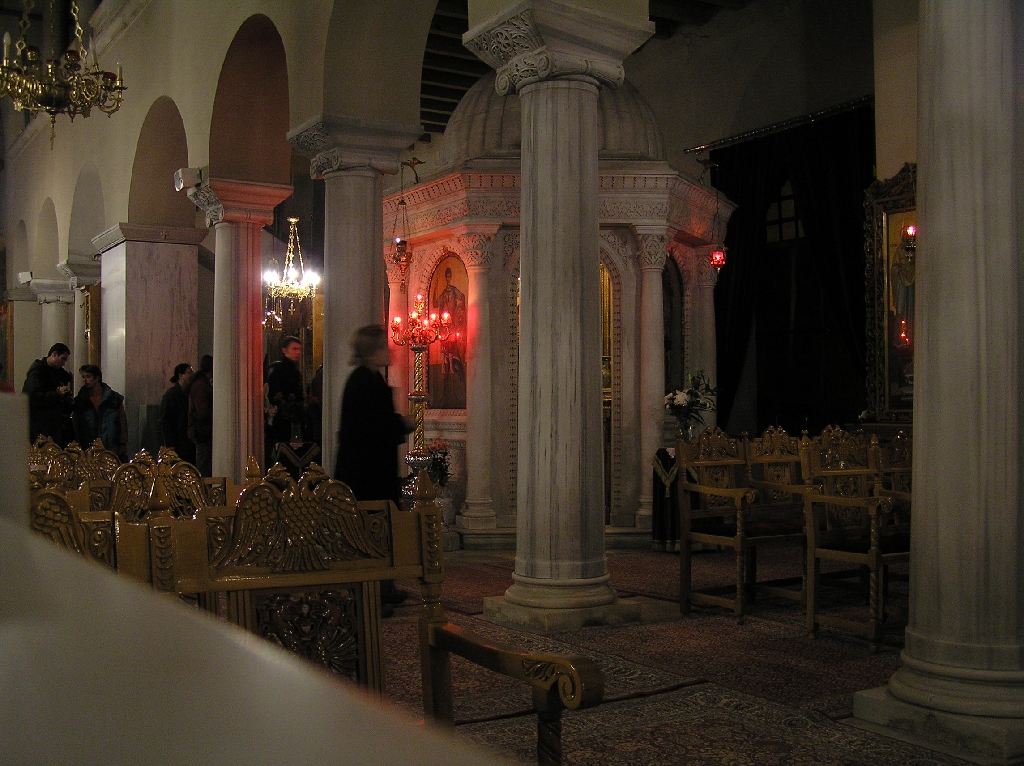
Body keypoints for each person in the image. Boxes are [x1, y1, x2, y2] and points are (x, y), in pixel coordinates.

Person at [334, 325, 415, 615]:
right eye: (383, 345)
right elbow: (371, 428)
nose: (389, 349)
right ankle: (371, 596)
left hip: (373, 469)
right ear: (371, 351)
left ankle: (384, 587)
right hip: (365, 474)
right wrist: (401, 424)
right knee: (370, 531)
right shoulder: (362, 381)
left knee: (380, 528)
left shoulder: (371, 378)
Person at [72, 365, 128, 460]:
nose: (85, 380)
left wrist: (123, 442)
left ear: (97, 378)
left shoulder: (113, 398)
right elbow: (76, 423)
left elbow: (122, 420)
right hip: (89, 446)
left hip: (110, 445)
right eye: (83, 377)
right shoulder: (81, 400)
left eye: (88, 376)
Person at [22, 342, 74, 445]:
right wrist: (58, 393)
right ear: (54, 354)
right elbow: (32, 397)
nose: (64, 363)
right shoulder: (37, 373)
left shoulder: (61, 375)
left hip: (55, 423)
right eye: (63, 359)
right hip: (41, 424)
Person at [265, 336, 305, 459]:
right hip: (283, 423)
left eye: (299, 349)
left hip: (294, 421)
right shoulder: (279, 371)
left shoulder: (295, 372)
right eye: (294, 349)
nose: (298, 352)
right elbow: (273, 397)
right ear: (284, 350)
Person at [159, 362, 196, 464]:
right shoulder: (171, 395)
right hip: (179, 442)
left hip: (187, 443)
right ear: (181, 376)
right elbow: (165, 421)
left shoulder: (189, 393)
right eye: (189, 373)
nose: (192, 375)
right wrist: (170, 444)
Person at [187, 355, 213, 477]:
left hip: (201, 430)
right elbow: (203, 412)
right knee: (204, 467)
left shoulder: (199, 383)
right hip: (202, 431)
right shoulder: (201, 386)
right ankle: (203, 488)